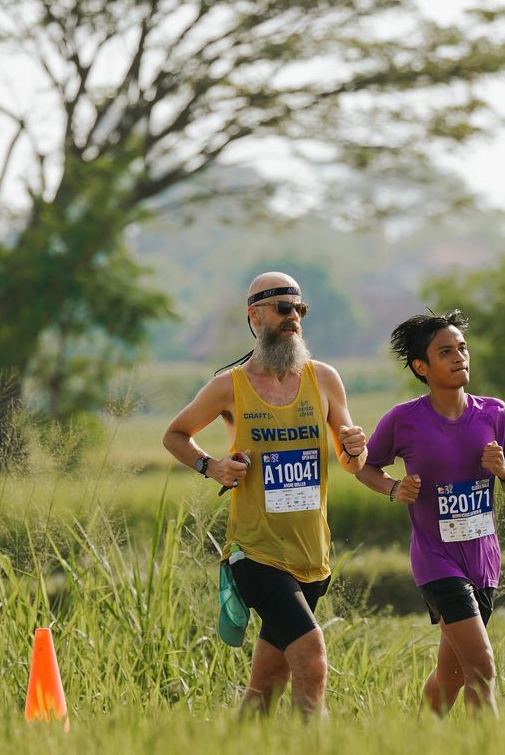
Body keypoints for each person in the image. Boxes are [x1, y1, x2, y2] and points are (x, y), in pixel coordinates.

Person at [162, 271, 367, 719]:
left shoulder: (325, 380)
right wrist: (211, 465)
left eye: (300, 309)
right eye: (283, 308)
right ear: (255, 316)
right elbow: (175, 434)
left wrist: (356, 448)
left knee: (266, 684)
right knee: (311, 660)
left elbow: (350, 460)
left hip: (312, 554)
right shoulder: (228, 387)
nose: (294, 317)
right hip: (255, 553)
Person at [354, 310, 505, 717]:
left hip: (483, 559)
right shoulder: (404, 419)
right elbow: (364, 465)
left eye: (462, 348)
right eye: (445, 351)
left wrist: (504, 471)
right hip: (437, 560)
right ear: (421, 367)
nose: (459, 357)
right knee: (481, 667)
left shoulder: (494, 413)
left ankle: (419, 734)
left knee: (451, 677)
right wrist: (395, 488)